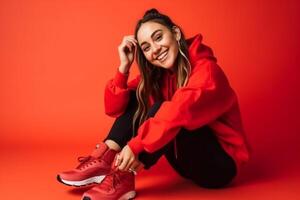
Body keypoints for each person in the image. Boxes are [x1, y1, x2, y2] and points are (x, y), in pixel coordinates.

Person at [57, 8, 251, 200]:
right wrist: (123, 68)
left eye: (158, 37)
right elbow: (115, 108)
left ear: (175, 33)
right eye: (146, 47)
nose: (155, 49)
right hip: (183, 163)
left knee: (168, 110)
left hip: (219, 167)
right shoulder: (159, 76)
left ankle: (123, 175)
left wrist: (135, 146)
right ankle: (104, 159)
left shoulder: (207, 71)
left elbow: (178, 112)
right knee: (139, 94)